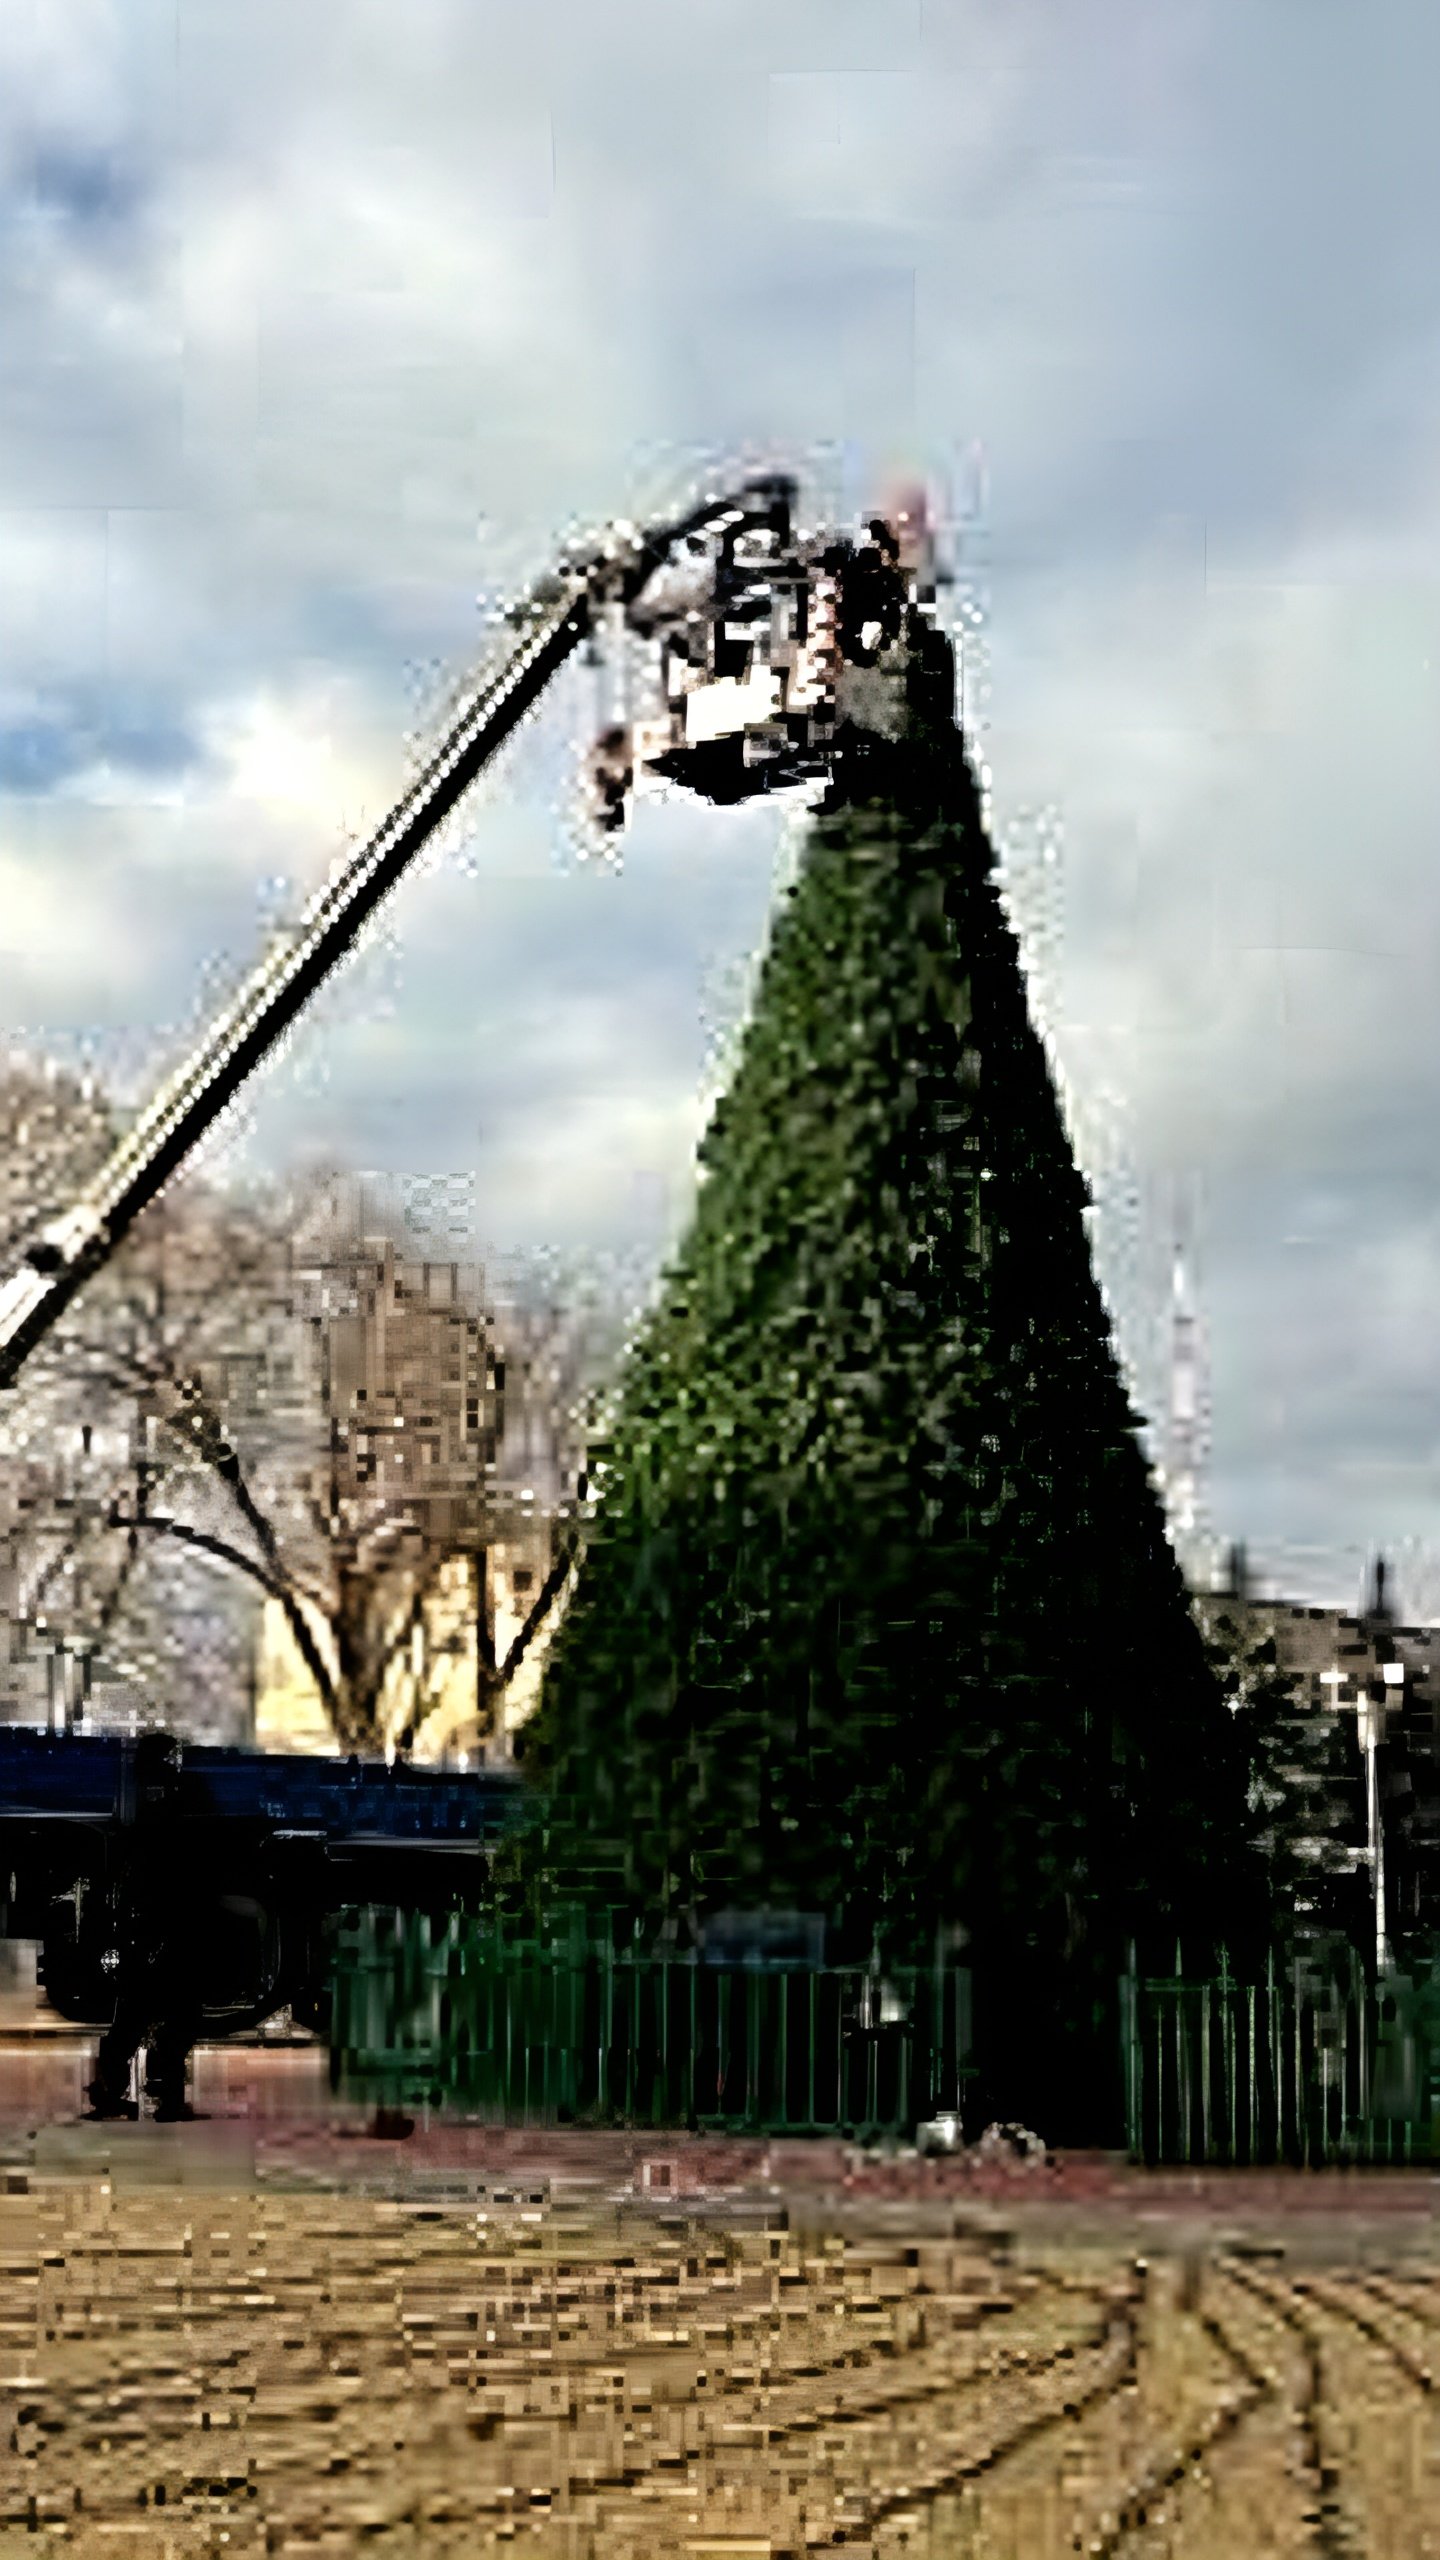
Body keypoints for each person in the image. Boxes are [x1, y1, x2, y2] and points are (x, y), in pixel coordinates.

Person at [86, 1730, 203, 2123]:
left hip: (150, 1925)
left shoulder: (145, 1811)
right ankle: (162, 2096)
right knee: (172, 2020)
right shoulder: (171, 1807)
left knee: (137, 2021)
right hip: (163, 1925)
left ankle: (125, 2094)